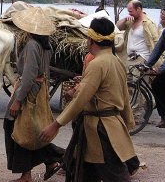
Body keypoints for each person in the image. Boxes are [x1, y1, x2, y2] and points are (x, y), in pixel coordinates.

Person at [40, 17, 137, 182]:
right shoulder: (116, 61)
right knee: (82, 172)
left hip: (102, 129)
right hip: (101, 126)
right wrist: (127, 121)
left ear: (90, 39)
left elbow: (80, 100)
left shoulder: (98, 64)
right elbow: (125, 96)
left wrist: (56, 125)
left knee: (115, 175)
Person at [4, 7, 64, 182]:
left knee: (16, 129)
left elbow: (29, 77)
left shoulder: (31, 45)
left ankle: (28, 174)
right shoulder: (46, 45)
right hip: (40, 91)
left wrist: (18, 101)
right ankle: (51, 161)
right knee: (31, 130)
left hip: (29, 92)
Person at [116, 0, 159, 67]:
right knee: (126, 77)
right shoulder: (130, 21)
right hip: (130, 58)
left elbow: (156, 42)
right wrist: (125, 19)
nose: (129, 13)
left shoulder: (148, 24)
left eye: (131, 11)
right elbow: (117, 27)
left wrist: (155, 63)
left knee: (136, 77)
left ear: (138, 9)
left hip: (142, 58)